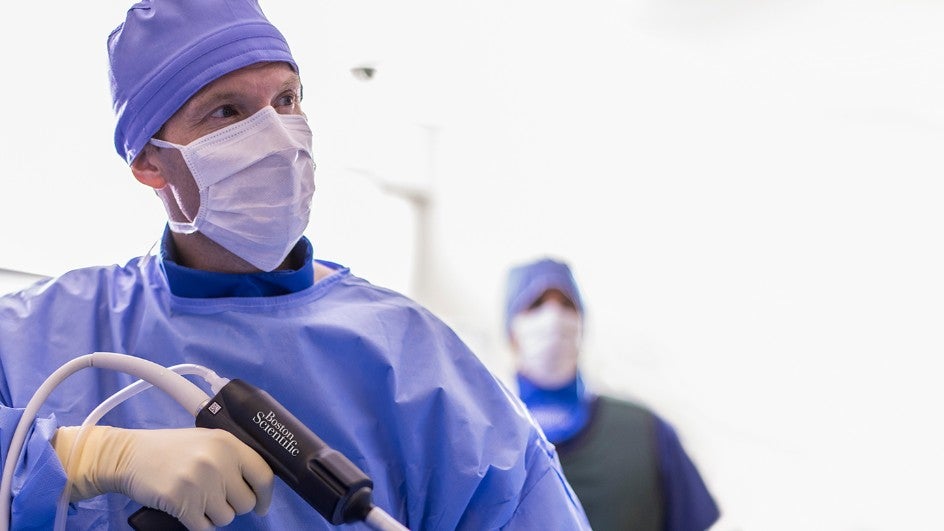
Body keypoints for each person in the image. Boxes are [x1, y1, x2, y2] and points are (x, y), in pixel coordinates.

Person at [0, 1, 589, 529]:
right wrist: (81, 458)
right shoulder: (40, 336)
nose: (278, 138)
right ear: (151, 163)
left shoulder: (414, 361)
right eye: (227, 112)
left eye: (285, 99)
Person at [503, 257, 720, 531]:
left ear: (582, 323)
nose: (553, 319)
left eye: (567, 304)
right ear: (511, 330)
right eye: (536, 304)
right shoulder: (487, 443)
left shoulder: (646, 434)